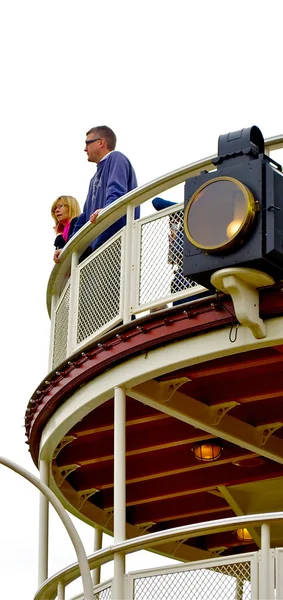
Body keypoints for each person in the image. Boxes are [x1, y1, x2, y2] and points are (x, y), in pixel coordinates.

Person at [70, 125, 140, 253]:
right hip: (97, 249)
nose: (85, 149)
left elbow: (116, 192)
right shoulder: (93, 179)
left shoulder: (116, 158)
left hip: (118, 243)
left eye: (87, 143)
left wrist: (107, 210)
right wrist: (68, 247)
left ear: (101, 142)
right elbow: (84, 216)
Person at [152, 197, 212, 305]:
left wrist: (180, 209)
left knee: (181, 286)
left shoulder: (192, 211)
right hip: (187, 269)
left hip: (196, 268)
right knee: (179, 285)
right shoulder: (186, 220)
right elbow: (156, 202)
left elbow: (157, 202)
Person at [51, 195, 81, 263]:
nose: (57, 210)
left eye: (60, 206)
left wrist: (59, 239)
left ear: (71, 207)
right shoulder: (63, 233)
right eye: (55, 209)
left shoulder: (76, 223)